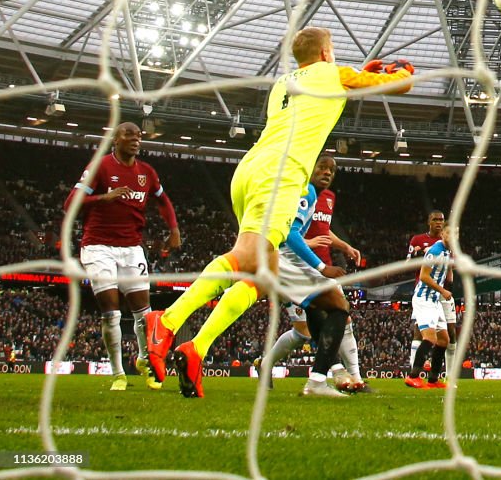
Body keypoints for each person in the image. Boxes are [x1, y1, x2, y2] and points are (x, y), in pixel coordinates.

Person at [145, 27, 413, 397]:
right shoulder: (334, 72)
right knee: (246, 257)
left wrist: (363, 74)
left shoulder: (283, 83)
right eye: (332, 50)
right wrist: (401, 73)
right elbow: (401, 87)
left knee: (262, 275)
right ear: (325, 53)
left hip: (251, 167)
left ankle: (197, 349)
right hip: (282, 173)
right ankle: (168, 319)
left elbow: (321, 98)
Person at [63, 121, 180, 391]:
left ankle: (144, 362)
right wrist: (104, 198)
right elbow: (70, 204)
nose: (136, 139)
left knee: (144, 314)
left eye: (139, 136)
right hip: (98, 247)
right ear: (115, 139)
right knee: (111, 313)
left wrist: (173, 228)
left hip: (131, 248)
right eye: (129, 134)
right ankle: (118, 373)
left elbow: (163, 201)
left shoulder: (147, 173)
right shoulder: (101, 167)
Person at [255, 154, 369, 393]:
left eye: (332, 170)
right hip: (288, 260)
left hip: (287, 259)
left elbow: (316, 230)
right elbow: (291, 234)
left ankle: (329, 375)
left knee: (316, 316)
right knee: (337, 309)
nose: (327, 173)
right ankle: (328, 376)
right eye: (322, 168)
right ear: (311, 168)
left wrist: (343, 246)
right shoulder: (305, 191)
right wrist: (321, 267)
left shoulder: (318, 196)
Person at [405, 224, 453, 390]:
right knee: (430, 338)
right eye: (449, 233)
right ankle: (413, 376)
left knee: (444, 340)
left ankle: (433, 379)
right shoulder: (435, 251)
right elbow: (424, 276)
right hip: (423, 299)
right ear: (443, 235)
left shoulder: (448, 251)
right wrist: (443, 290)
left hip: (434, 301)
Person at [407, 211, 447, 368]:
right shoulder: (418, 240)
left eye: (441, 220)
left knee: (447, 333)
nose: (438, 222)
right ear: (429, 222)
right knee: (421, 329)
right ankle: (414, 365)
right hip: (424, 290)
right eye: (435, 219)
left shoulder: (447, 240)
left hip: (441, 292)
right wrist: (419, 254)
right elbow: (408, 263)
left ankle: (441, 372)